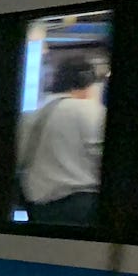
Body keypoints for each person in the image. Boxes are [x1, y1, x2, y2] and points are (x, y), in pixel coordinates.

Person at [17, 53, 106, 226]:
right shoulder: (90, 110)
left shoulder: (32, 116)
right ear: (87, 82)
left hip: (38, 207)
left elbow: (20, 158)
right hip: (81, 206)